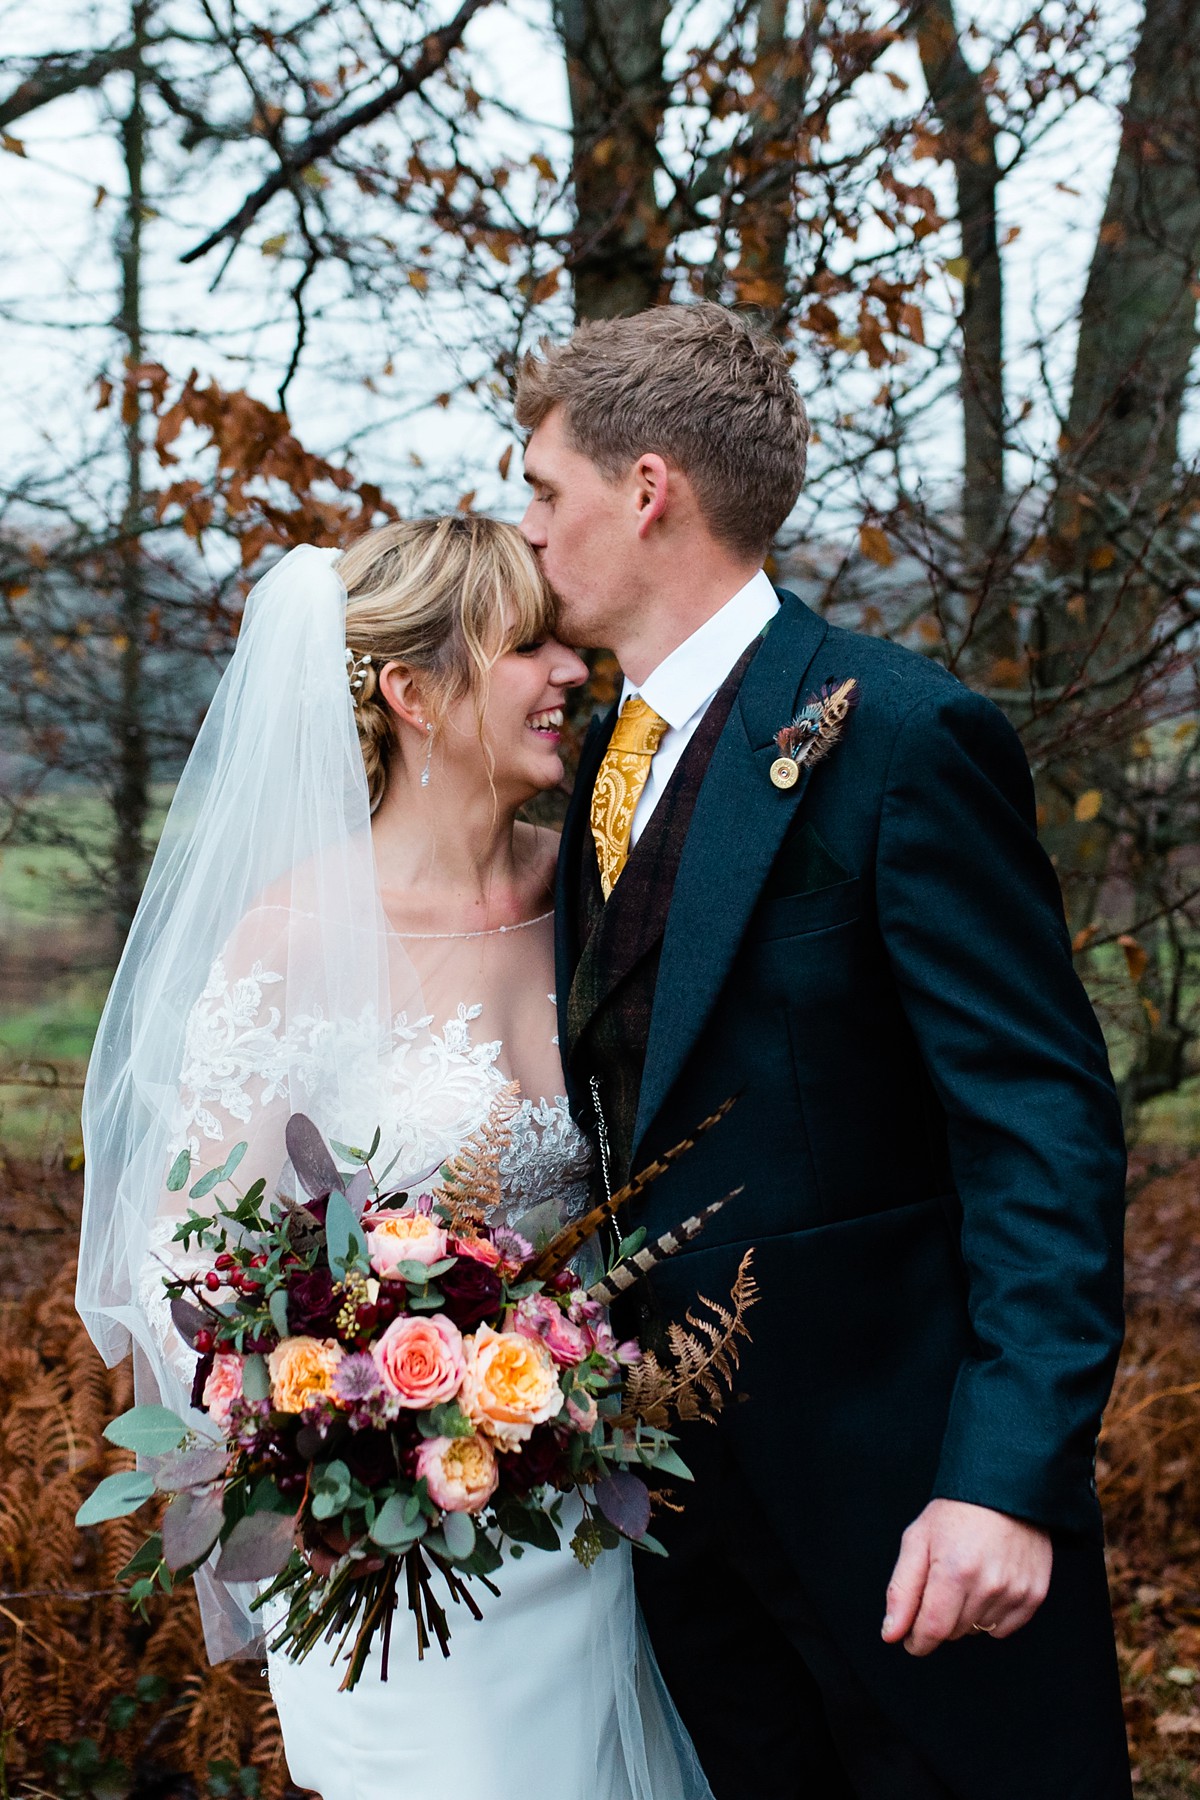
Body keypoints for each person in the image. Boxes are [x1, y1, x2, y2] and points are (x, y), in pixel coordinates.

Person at [517, 301, 1133, 1800]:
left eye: (543, 490)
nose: (527, 531)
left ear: (646, 489)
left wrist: (1004, 1480)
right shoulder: (596, 760)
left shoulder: (906, 738)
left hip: (903, 1514)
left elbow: (1040, 1127)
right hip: (673, 1534)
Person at [76, 517, 715, 1800]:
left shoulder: (598, 900)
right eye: (527, 646)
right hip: (388, 1542)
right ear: (412, 693)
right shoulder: (296, 932)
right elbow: (195, 1258)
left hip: (581, 1511)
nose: (571, 670)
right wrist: (326, 1434)